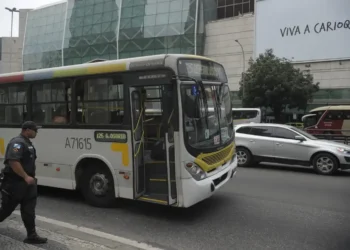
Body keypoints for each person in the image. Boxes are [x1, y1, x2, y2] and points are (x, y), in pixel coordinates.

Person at [0, 121, 47, 244]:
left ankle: (31, 235)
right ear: (27, 130)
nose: (36, 132)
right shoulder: (18, 143)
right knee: (6, 210)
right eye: (34, 130)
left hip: (28, 184)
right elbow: (13, 161)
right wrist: (26, 176)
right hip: (15, 183)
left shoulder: (27, 143)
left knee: (29, 210)